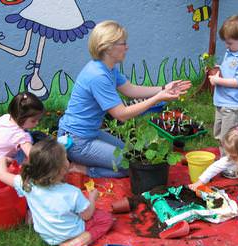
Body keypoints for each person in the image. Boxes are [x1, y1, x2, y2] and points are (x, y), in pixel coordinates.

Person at [58, 20, 191, 178]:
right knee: (134, 165)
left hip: (90, 133)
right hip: (77, 142)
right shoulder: (98, 75)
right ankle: (83, 169)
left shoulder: (108, 68)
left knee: (134, 155)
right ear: (107, 47)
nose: (127, 47)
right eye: (123, 43)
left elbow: (131, 90)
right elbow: (121, 114)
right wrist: (157, 98)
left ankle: (93, 160)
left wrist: (164, 88)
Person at [0, 138, 113, 246]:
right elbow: (86, 216)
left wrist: (2, 159)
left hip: (47, 235)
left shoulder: (26, 184)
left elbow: (1, 174)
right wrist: (92, 198)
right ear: (62, 169)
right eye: (65, 157)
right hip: (72, 233)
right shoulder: (72, 192)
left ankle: (33, 220)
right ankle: (79, 241)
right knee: (105, 218)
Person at [209, 15, 238, 161]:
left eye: (230, 43)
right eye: (226, 43)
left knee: (230, 138)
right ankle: (224, 159)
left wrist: (218, 80)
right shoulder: (231, 52)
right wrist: (217, 69)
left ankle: (233, 165)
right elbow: (227, 69)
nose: (227, 46)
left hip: (233, 105)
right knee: (219, 134)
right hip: (221, 101)